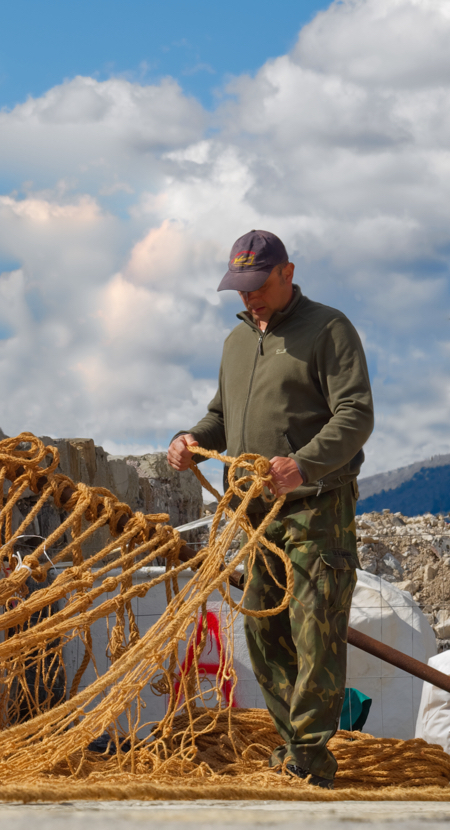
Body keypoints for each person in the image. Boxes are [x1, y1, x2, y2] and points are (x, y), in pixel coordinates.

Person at [166, 229, 373, 788]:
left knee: (316, 637)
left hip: (317, 510)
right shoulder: (235, 343)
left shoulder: (329, 329)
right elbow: (221, 419)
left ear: (287, 273)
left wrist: (302, 465)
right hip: (257, 517)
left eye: (258, 285)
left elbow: (355, 415)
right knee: (264, 632)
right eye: (240, 288)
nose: (249, 297)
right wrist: (190, 438)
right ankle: (291, 749)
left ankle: (309, 760)